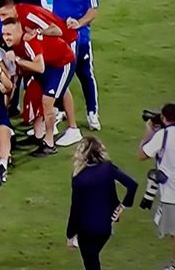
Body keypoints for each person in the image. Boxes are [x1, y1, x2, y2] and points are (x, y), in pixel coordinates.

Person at [1, 18, 78, 157]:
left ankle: (49, 143)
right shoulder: (16, 44)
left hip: (62, 63)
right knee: (35, 96)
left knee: (47, 102)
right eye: (4, 34)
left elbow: (39, 67)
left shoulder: (29, 42)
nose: (6, 38)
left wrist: (17, 60)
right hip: (49, 64)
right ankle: (38, 135)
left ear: (18, 32)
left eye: (9, 34)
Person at [46, 0, 101, 130]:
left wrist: (79, 23)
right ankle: (60, 110)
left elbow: (93, 11)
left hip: (80, 39)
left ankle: (92, 113)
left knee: (85, 75)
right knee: (59, 75)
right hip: (59, 39)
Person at [67, 136, 138, 270]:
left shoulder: (79, 178)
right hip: (105, 228)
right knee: (93, 260)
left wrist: (70, 234)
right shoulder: (108, 168)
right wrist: (122, 206)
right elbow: (132, 185)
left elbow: (75, 209)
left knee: (91, 263)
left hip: (86, 230)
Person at [138, 103, 175, 269]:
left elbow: (142, 155)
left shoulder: (163, 135)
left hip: (171, 194)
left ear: (164, 118)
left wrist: (148, 133)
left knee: (174, 233)